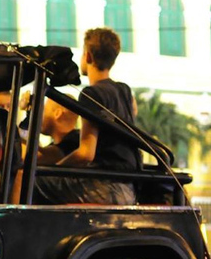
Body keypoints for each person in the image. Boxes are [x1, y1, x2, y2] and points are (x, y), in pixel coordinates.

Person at [35, 27, 138, 204]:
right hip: (128, 186)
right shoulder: (124, 90)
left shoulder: (91, 94)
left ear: (88, 56)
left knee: (31, 181)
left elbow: (85, 154)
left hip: (103, 186)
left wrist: (56, 169)